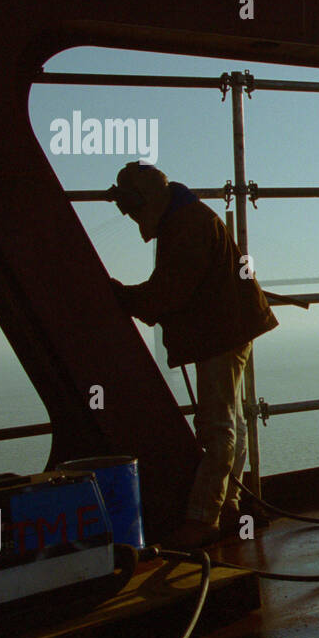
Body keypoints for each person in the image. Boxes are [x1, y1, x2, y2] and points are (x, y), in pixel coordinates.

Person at [107, 162, 278, 548]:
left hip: (220, 333)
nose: (133, 217)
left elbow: (168, 292)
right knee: (231, 420)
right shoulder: (185, 216)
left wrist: (122, 296)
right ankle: (228, 507)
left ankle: (203, 520)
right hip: (229, 328)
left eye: (133, 207)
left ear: (146, 199)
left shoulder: (185, 226)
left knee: (218, 427)